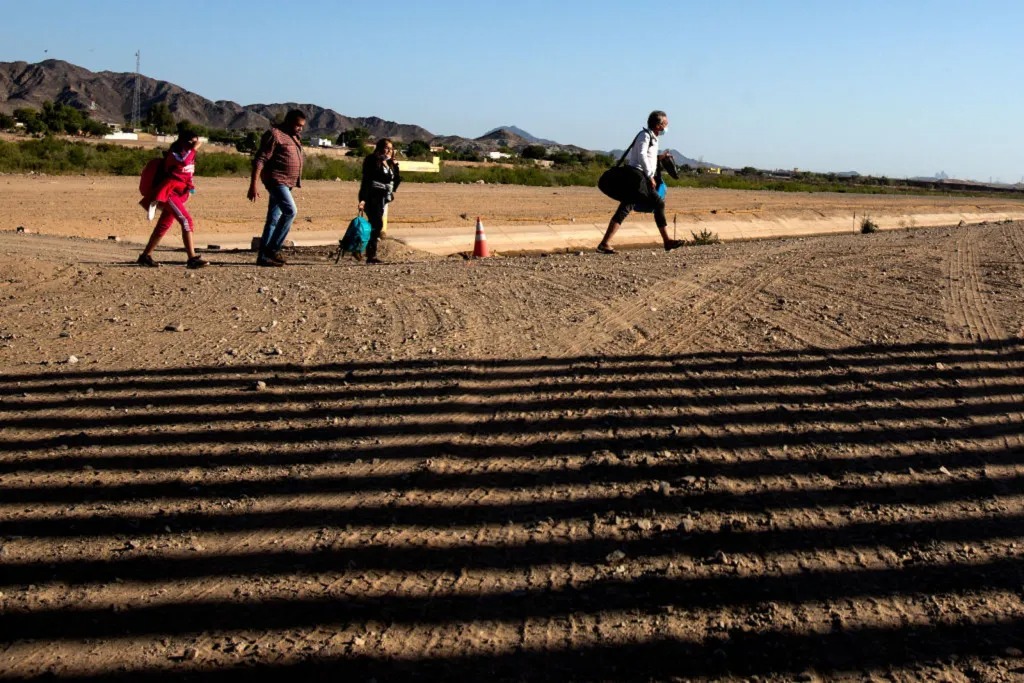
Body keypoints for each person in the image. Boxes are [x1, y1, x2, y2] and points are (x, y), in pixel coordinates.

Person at [597, 110, 683, 254]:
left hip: (640, 175)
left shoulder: (654, 138)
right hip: (637, 176)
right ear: (658, 125)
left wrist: (659, 157)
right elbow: (641, 155)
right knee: (658, 202)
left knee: (626, 206)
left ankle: (604, 243)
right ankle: (667, 241)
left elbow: (648, 156)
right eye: (666, 124)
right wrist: (650, 176)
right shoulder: (645, 135)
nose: (667, 127)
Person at [137, 130, 209, 269]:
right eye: (191, 142)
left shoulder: (189, 155)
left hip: (180, 193)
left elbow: (188, 174)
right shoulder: (175, 154)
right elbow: (183, 162)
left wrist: (191, 190)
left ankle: (146, 256)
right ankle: (192, 257)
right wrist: (193, 149)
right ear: (183, 141)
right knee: (186, 220)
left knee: (164, 224)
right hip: (169, 192)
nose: (194, 144)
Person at [247, 109, 305, 267]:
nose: (300, 128)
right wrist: (254, 184)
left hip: (288, 183)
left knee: (273, 219)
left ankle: (264, 257)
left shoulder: (294, 137)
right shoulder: (275, 135)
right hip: (276, 181)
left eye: (302, 126)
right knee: (290, 211)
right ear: (289, 121)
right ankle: (273, 249)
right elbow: (260, 160)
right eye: (298, 125)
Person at [357, 138, 401, 264]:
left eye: (391, 149)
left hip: (383, 197)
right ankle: (370, 255)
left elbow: (395, 180)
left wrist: (395, 165)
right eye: (386, 148)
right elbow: (366, 181)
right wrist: (363, 199)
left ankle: (365, 251)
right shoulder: (372, 160)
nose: (389, 151)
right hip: (372, 196)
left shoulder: (390, 163)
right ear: (380, 148)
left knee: (375, 225)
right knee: (376, 224)